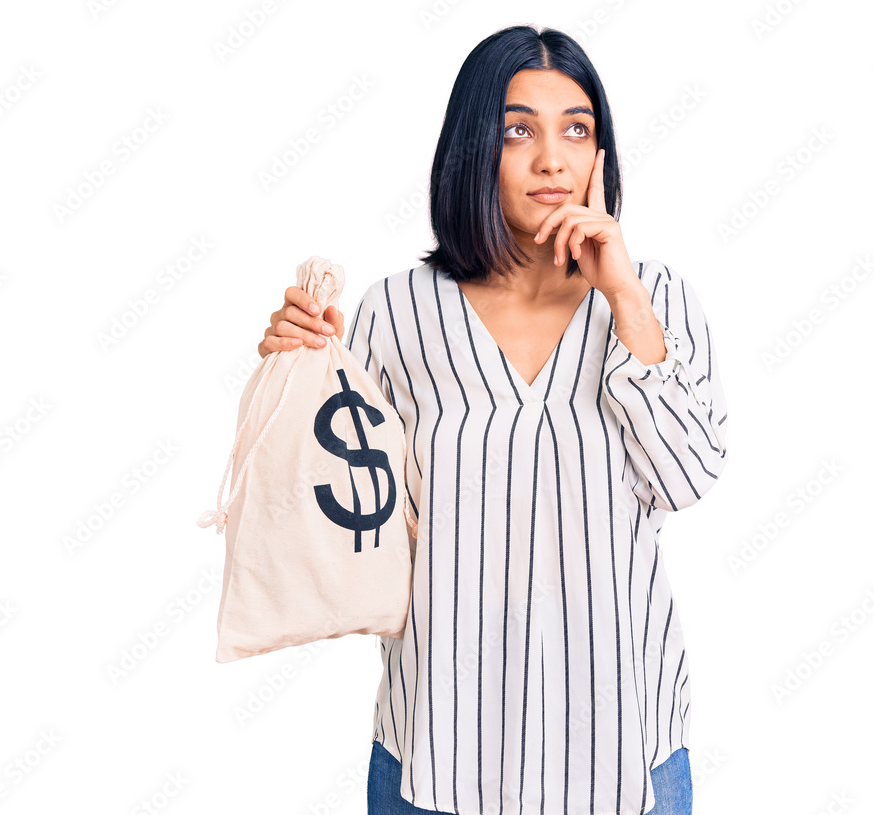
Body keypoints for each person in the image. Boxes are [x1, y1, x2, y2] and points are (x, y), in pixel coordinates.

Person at [258, 25, 727, 815]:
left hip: (622, 753)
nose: (553, 158)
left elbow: (686, 477)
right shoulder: (399, 312)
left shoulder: (654, 297)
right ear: (474, 147)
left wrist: (623, 295)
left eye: (577, 129)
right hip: (438, 751)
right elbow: (339, 521)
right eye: (519, 130)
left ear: (601, 154)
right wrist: (293, 375)